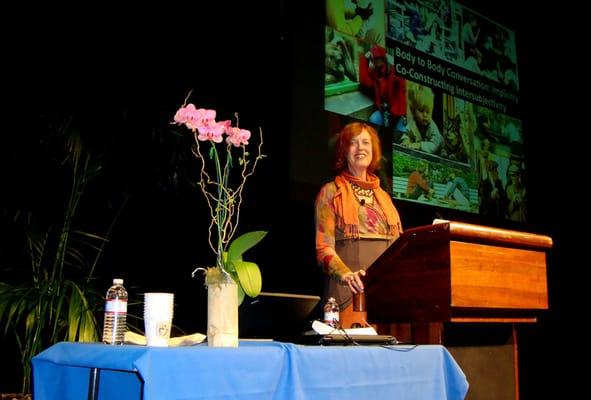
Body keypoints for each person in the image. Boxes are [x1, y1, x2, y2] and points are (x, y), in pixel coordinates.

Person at [315, 121, 403, 310]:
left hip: (386, 296)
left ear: (374, 150)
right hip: (347, 296)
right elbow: (323, 249)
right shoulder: (331, 192)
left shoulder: (385, 198)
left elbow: (399, 249)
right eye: (353, 143)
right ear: (344, 151)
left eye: (366, 142)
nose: (360, 147)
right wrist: (346, 275)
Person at [359, 45, 406, 127]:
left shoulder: (394, 72)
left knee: (401, 129)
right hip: (383, 112)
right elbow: (365, 81)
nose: (373, 61)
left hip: (397, 115)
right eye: (373, 58)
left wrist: (393, 111)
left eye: (375, 58)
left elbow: (402, 93)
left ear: (383, 59)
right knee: (373, 119)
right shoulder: (375, 72)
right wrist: (364, 60)